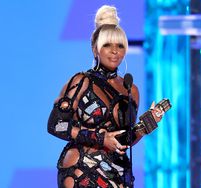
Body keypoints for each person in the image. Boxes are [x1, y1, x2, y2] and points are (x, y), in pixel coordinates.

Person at [47, 5, 164, 188]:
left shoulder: (130, 89)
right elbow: (56, 124)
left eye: (120, 45)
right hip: (82, 169)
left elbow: (123, 141)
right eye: (107, 45)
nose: (114, 51)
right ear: (95, 49)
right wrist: (101, 139)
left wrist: (147, 123)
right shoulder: (82, 81)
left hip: (117, 173)